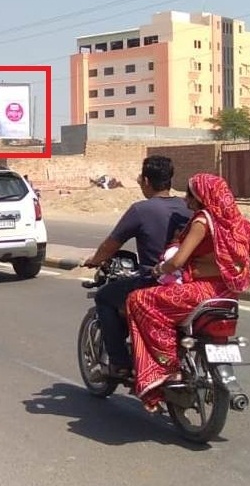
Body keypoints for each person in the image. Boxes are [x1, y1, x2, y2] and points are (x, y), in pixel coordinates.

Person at [126, 173, 250, 413]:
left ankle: (166, 368)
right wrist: (225, 267)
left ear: (202, 196)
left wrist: (161, 268)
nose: (186, 198)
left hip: (202, 292)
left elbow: (178, 261)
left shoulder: (203, 220)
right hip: (227, 293)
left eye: (190, 193)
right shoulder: (235, 221)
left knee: (139, 300)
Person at [82, 155, 192, 379]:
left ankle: (120, 363)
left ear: (147, 182)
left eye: (142, 180)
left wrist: (95, 259)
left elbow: (112, 243)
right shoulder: (186, 207)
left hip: (153, 281)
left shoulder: (141, 210)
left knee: (104, 297)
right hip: (188, 281)